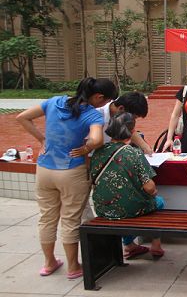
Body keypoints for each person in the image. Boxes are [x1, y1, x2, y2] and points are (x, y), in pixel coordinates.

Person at [16, 77, 118, 279]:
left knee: (47, 218)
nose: (105, 105)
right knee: (71, 219)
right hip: (71, 171)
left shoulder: (54, 101)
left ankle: (49, 263)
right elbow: (97, 139)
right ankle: (73, 267)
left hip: (44, 169)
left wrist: (42, 139)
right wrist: (86, 148)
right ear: (98, 97)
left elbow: (22, 117)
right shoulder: (92, 115)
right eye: (106, 101)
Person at [90, 113, 164, 259]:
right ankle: (156, 244)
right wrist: (154, 191)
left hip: (102, 208)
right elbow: (149, 187)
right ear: (132, 131)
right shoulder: (133, 152)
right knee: (158, 202)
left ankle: (130, 244)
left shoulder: (98, 152)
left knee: (124, 204)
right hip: (130, 209)